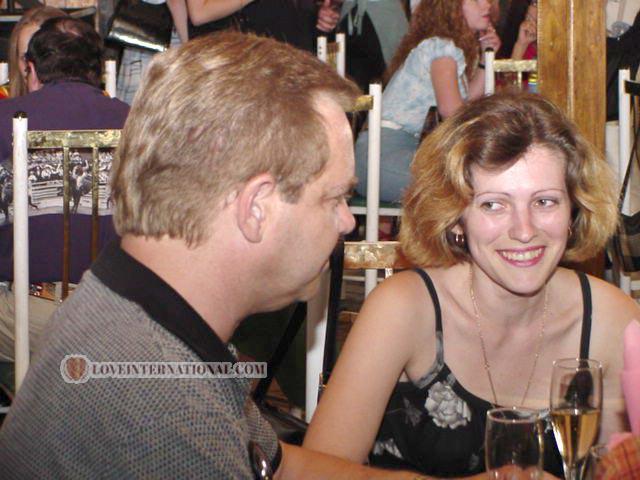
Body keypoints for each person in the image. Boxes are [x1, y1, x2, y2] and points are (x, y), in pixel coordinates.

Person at [0, 31, 435, 479]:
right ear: (256, 207)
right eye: (334, 198)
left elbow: (280, 465)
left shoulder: (133, 300)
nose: (347, 222)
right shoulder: (168, 412)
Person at [304, 91, 639, 477]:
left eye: (545, 202)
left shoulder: (612, 320)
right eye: (493, 204)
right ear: (455, 217)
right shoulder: (404, 309)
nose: (524, 230)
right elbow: (315, 472)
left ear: (573, 210)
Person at [0, 17, 129, 362]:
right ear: (97, 72)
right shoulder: (138, 122)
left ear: (31, 69)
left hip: (31, 315)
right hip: (119, 316)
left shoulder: (4, 119)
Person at [354, 0, 500, 204]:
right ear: (452, 7)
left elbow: (467, 101)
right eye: (476, 0)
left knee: (479, 180)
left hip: (391, 153)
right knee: (472, 184)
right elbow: (452, 112)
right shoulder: (441, 48)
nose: (487, 5)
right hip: (381, 158)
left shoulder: (445, 47)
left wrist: (486, 58)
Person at [6, 5, 66, 98]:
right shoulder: (8, 104)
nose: (33, 69)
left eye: (44, 56)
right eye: (25, 59)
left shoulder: (86, 103)